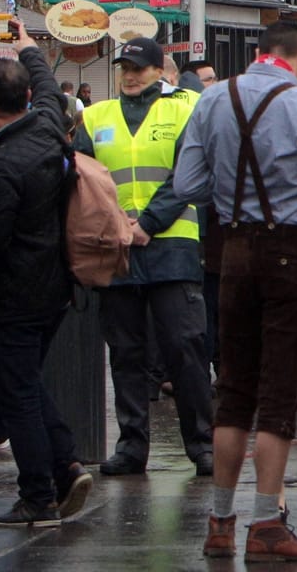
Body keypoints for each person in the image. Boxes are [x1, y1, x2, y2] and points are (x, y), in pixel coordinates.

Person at [173, 21, 297, 560]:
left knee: (234, 389)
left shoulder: (211, 98)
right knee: (277, 396)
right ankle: (267, 523)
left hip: (233, 252)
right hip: (292, 254)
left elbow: (186, 186)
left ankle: (220, 522)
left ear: (258, 52)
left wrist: (231, 193)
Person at [0, 36, 92, 528]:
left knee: (18, 396)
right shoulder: (49, 127)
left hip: (11, 295)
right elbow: (52, 87)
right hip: (52, 287)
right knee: (26, 384)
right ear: (27, 98)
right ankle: (66, 465)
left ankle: (38, 494)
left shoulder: (4, 165)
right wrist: (30, 48)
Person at [79, 36, 214, 477]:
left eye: (139, 67)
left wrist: (148, 224)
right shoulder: (96, 115)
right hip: (116, 248)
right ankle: (132, 445)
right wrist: (117, 227)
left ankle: (201, 444)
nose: (131, 75)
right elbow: (83, 178)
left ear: (160, 71)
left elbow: (190, 173)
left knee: (185, 349)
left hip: (171, 244)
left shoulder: (186, 109)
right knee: (126, 352)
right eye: (125, 68)